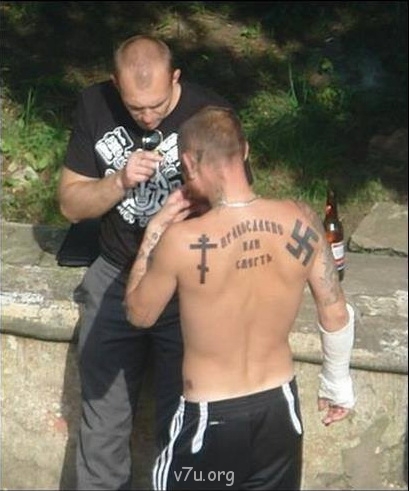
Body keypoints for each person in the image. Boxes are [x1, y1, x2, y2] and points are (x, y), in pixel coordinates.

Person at [125, 106, 356, 490]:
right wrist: (337, 385)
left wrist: (154, 231)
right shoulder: (300, 218)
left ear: (189, 162)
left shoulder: (181, 241)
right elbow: (335, 311)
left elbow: (139, 314)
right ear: (245, 150)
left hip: (209, 422)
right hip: (280, 412)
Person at [58, 35, 242, 490]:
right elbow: (71, 205)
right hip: (115, 272)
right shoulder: (95, 105)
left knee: (182, 418)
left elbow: (236, 208)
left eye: (157, 105)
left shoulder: (209, 114)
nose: (146, 117)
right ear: (115, 84)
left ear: (176, 78)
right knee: (101, 419)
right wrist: (119, 181)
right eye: (135, 107)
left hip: (187, 279)